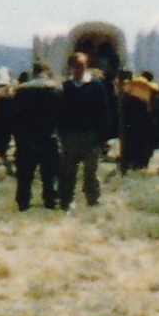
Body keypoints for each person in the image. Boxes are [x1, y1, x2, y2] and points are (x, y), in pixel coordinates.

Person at [58, 52, 114, 211]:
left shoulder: (95, 86)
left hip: (91, 136)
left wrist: (104, 137)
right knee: (68, 172)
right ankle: (66, 202)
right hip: (70, 136)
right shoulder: (66, 87)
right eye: (75, 66)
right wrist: (61, 134)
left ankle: (93, 201)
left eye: (81, 66)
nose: (78, 69)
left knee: (91, 172)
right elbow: (60, 113)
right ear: (70, 67)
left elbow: (103, 111)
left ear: (86, 66)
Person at [12, 63, 62, 211]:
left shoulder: (21, 89)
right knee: (49, 173)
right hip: (48, 135)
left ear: (33, 72)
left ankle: (23, 202)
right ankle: (49, 199)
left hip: (26, 136)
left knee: (25, 174)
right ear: (47, 72)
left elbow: (14, 115)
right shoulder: (54, 88)